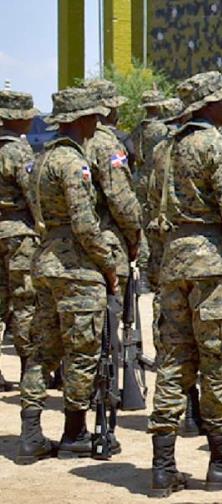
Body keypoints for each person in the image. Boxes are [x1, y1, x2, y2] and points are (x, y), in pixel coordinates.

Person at [146, 71, 222, 497]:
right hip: (213, 264)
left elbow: (151, 211)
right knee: (217, 365)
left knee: (173, 363)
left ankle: (162, 467)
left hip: (174, 263)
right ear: (208, 106)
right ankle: (221, 460)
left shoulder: (163, 149)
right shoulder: (215, 144)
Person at [15, 87, 118, 464]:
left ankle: (30, 433)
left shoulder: (40, 159)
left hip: (45, 263)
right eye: (93, 116)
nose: (97, 122)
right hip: (75, 268)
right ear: (80, 120)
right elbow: (85, 224)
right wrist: (108, 263)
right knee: (82, 352)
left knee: (42, 351)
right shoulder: (73, 162)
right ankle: (75, 433)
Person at [84, 80, 144, 291]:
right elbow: (121, 200)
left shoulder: (63, 143)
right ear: (107, 110)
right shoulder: (106, 144)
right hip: (106, 239)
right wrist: (135, 239)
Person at [0, 91, 39, 392]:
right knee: (25, 302)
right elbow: (33, 195)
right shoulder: (19, 151)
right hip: (18, 234)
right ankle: (29, 372)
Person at [130, 90, 171, 205]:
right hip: (159, 180)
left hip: (141, 179)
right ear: (159, 106)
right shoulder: (164, 129)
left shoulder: (138, 129)